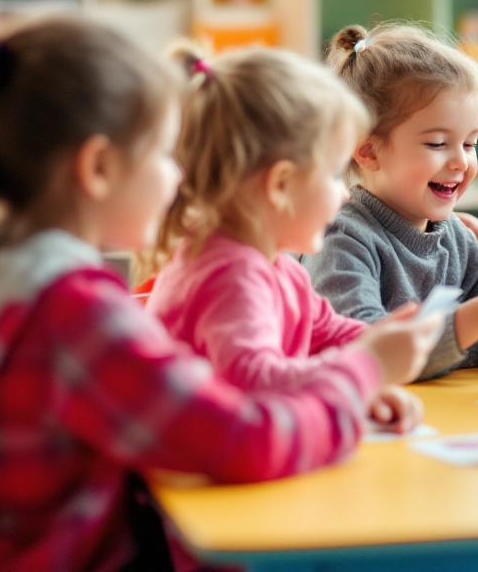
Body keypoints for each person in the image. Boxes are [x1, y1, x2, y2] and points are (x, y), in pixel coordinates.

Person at [0, 18, 439, 571]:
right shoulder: (72, 312)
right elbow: (248, 442)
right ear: (99, 167)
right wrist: (360, 372)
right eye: (164, 156)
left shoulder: (2, 282)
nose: (179, 179)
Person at [147, 45, 421, 433]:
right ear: (281, 184)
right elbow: (253, 379)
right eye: (332, 174)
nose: (344, 193)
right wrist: (366, 368)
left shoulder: (274, 266)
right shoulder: (230, 273)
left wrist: (385, 343)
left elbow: (327, 332)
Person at [305, 24, 478, 380]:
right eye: (436, 144)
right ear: (368, 150)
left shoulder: (459, 239)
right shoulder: (341, 238)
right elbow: (368, 357)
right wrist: (476, 320)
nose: (461, 162)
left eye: (470, 143)